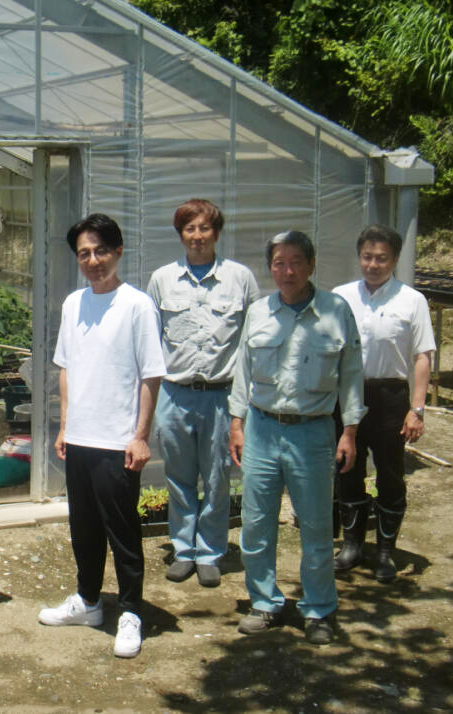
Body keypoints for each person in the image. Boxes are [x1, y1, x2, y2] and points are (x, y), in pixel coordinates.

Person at [38, 213, 166, 659]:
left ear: (118, 252)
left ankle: (131, 611)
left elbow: (152, 375)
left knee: (123, 530)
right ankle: (89, 601)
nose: (93, 261)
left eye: (100, 251)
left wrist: (140, 435)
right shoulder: (74, 303)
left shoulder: (137, 305)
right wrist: (66, 425)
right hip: (81, 438)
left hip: (118, 441)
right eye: (84, 254)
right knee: (83, 527)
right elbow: (67, 367)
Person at [228, 230, 365, 646]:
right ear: (270, 267)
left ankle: (319, 609)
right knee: (255, 525)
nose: (286, 271)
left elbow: (353, 375)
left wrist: (350, 432)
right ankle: (264, 602)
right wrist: (236, 424)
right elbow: (242, 370)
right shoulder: (258, 312)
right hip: (263, 429)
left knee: (318, 527)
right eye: (278, 263)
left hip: (314, 432)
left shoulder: (335, 310)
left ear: (311, 265)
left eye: (295, 262)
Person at [147, 199, 259, 588]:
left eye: (204, 229)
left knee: (216, 477)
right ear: (180, 234)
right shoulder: (162, 279)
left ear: (216, 232)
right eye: (189, 229)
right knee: (177, 476)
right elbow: (150, 339)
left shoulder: (240, 278)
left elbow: (252, 340)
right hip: (175, 395)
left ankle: (211, 551)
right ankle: (183, 550)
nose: (197, 237)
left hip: (221, 396)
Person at [332, 225, 435, 582]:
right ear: (359, 257)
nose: (373, 264)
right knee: (347, 469)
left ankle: (385, 551)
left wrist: (417, 409)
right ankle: (352, 546)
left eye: (382, 258)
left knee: (390, 474)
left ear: (394, 260)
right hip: (348, 395)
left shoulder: (412, 300)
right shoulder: (341, 297)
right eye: (367, 257)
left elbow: (422, 357)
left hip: (391, 397)